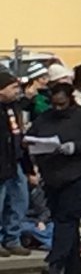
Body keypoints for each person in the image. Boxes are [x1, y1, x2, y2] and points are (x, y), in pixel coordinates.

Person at [26, 70, 81, 274]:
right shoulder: (45, 118)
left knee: (66, 218)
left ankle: (55, 264)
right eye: (54, 104)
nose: (57, 108)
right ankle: (74, 269)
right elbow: (32, 137)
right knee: (65, 221)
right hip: (53, 176)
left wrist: (76, 147)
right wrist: (31, 144)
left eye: (62, 104)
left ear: (70, 100)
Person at [0, 68, 28, 256]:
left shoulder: (13, 107)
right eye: (12, 87)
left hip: (15, 160)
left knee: (19, 199)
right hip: (1, 161)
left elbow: (18, 134)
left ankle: (12, 238)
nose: (16, 91)